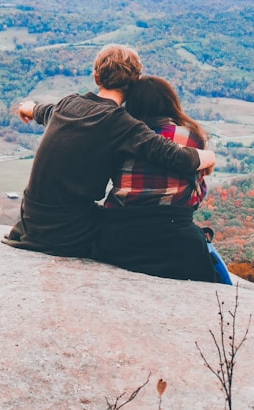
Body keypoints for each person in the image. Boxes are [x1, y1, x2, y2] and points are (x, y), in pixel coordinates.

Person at [3, 45, 216, 258]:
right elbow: (176, 156)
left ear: (96, 78)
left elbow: (44, 111)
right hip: (67, 231)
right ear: (135, 83)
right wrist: (209, 156)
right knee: (127, 226)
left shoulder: (67, 104)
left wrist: (27, 107)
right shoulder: (121, 123)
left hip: (30, 219)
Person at [97, 75, 232, 284]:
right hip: (175, 239)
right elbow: (198, 193)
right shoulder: (191, 136)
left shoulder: (120, 135)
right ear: (171, 102)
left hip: (119, 236)